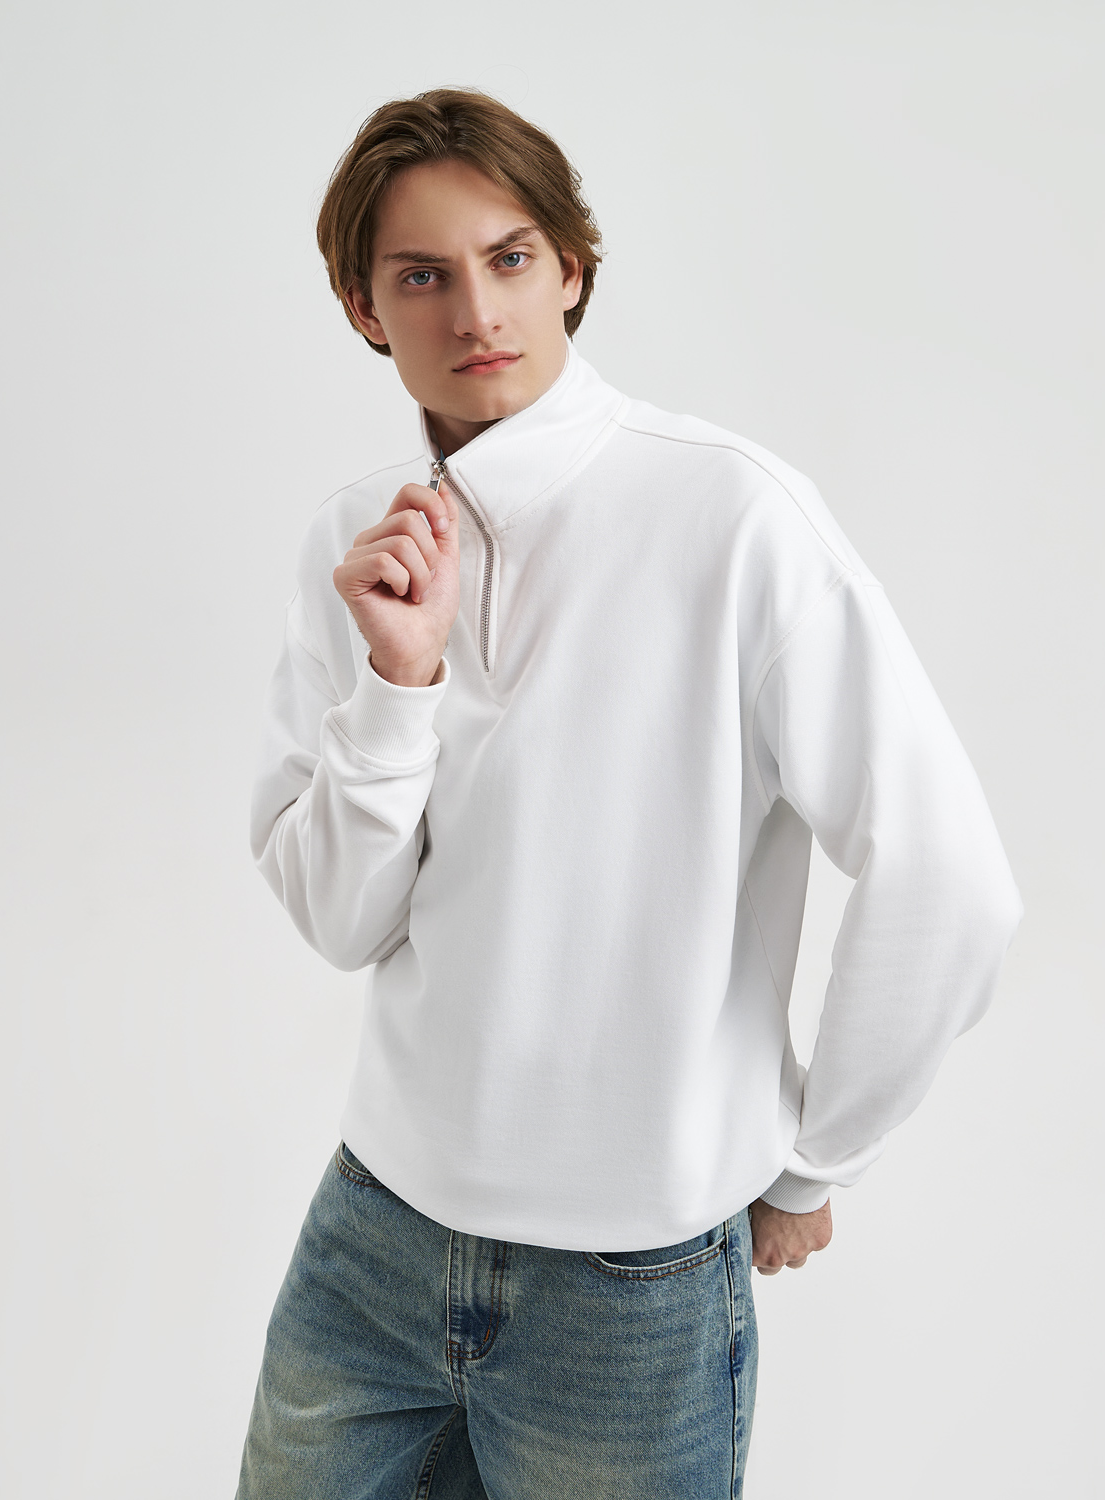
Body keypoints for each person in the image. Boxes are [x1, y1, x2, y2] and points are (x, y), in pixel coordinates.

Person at [237, 88, 1022, 1499]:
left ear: (573, 268)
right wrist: (400, 686)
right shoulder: (356, 544)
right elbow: (344, 921)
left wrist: (814, 1160)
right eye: (422, 275)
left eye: (511, 257)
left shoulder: (732, 515)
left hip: (628, 1283)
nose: (477, 309)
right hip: (374, 1233)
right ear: (364, 307)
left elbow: (947, 870)